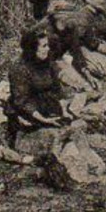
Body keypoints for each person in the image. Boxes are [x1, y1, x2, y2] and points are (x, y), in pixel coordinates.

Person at [5, 26, 69, 156]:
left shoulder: (47, 62)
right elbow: (22, 101)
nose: (48, 49)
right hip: (26, 111)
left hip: (45, 104)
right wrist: (43, 120)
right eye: (44, 46)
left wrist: (64, 110)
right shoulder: (19, 68)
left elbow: (57, 88)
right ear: (32, 49)